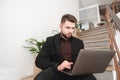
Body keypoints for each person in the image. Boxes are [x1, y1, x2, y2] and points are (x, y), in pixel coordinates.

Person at [34, 14, 96, 80]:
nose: (71, 31)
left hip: (74, 73)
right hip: (56, 71)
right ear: (61, 26)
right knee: (40, 78)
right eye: (68, 27)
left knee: (91, 78)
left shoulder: (79, 42)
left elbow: (81, 61)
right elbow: (39, 61)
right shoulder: (50, 40)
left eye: (73, 28)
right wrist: (57, 66)